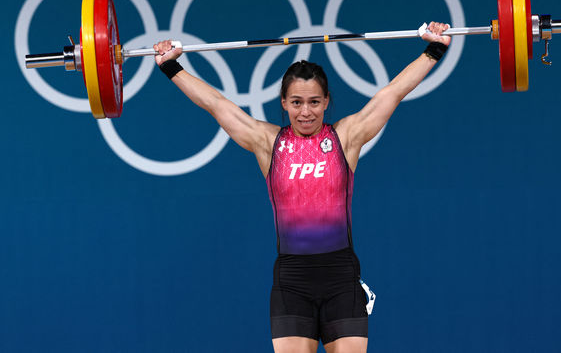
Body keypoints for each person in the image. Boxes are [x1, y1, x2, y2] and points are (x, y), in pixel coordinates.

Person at [153, 22, 451, 353]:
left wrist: (433, 49)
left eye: (313, 102)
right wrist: (171, 67)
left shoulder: (345, 137)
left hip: (341, 278)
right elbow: (217, 104)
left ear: (326, 102)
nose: (305, 112)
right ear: (283, 102)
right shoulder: (268, 142)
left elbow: (392, 92)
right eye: (296, 102)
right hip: (291, 283)